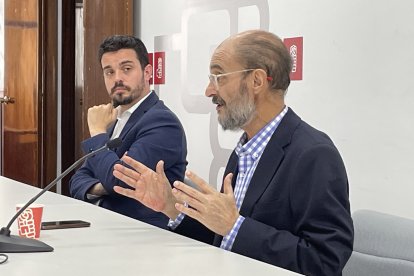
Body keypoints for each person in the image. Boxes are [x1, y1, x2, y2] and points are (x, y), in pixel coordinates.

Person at [112, 30, 353, 275]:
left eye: (219, 77)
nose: (209, 90)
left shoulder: (314, 154)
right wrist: (171, 206)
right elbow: (222, 237)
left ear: (257, 81)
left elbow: (325, 262)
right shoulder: (244, 149)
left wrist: (234, 225)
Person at [69, 35, 187, 228]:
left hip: (144, 235)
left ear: (147, 72)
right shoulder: (113, 121)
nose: (117, 78)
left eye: (126, 69)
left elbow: (121, 181)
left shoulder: (162, 122)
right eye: (109, 72)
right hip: (107, 228)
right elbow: (77, 181)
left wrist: (97, 131)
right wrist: (105, 187)